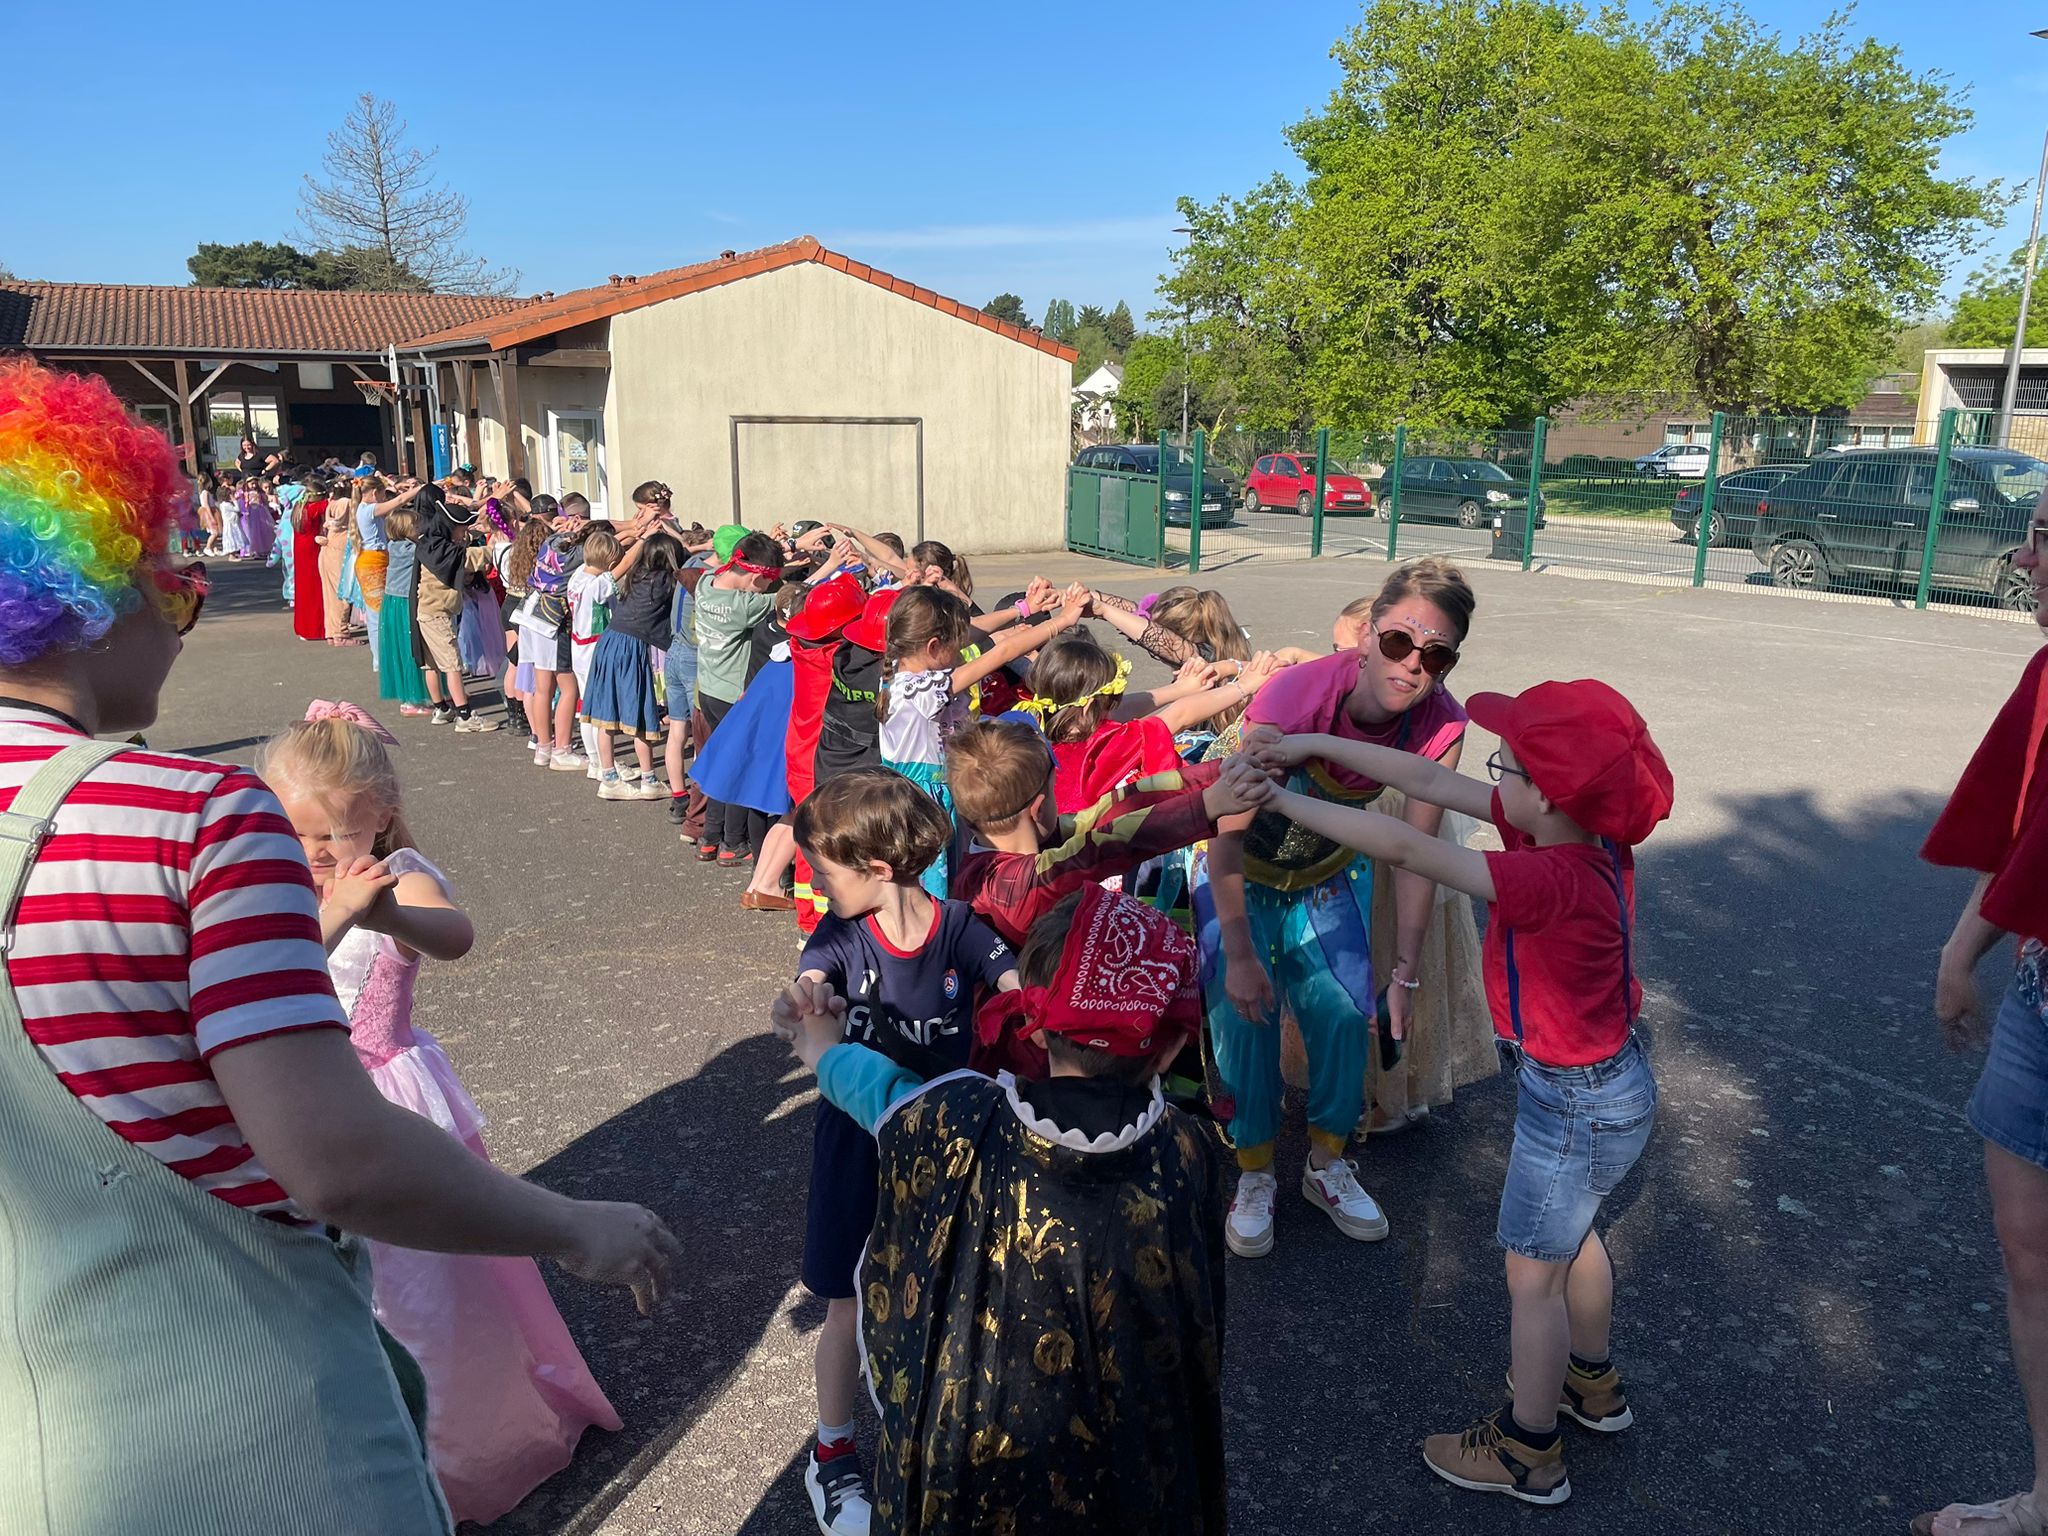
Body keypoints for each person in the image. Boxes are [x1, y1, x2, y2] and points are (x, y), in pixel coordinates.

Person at [0, 360, 680, 1533]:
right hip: (232, 1420)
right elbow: (334, 1161)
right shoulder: (192, 816)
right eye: (179, 587)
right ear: (94, 595)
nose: (183, 621)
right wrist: (575, 1226)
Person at [1253, 675, 1672, 1505]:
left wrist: (1279, 798)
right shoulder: (1582, 834)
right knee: (1573, 1239)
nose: (1493, 777)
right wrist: (1308, 746)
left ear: (1544, 794)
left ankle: (1528, 1450)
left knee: (1532, 1276)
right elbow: (1427, 779)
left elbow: (1407, 846)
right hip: (1608, 1090)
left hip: (1572, 1103)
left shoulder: (1549, 878)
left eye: (1503, 765)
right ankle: (1590, 1383)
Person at [259, 703, 625, 1524]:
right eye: (296, 831)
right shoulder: (272, 877)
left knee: (423, 1287)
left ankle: (456, 1452)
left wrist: (383, 913)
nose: (314, 852)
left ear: (382, 814)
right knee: (319, 1285)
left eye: (334, 835)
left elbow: (453, 936)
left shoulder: (399, 876)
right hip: (297, 1096)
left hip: (385, 1099)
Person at [770, 884, 1231, 1536]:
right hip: (1135, 1468)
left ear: (1035, 1022)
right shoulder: (1190, 1150)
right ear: (1170, 1046)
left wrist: (821, 1045)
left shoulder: (959, 1119)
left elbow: (878, 1089)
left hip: (977, 1469)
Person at [1193, 557, 1477, 1257]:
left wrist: (1405, 975)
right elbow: (1225, 839)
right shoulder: (1295, 695)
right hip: (1238, 874)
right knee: (1245, 1018)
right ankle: (1255, 1172)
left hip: (1325, 876)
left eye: (1436, 656)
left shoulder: (1441, 723)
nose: (1412, 666)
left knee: (1350, 1017)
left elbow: (1416, 853)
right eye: (1399, 642)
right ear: (1368, 633)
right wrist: (1238, 953)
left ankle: (1326, 1165)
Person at [780, 769, 1021, 1536]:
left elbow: (1020, 992)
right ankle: (833, 1454)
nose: (816, 885)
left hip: (951, 1152)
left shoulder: (963, 929)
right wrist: (801, 1001)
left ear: (878, 867)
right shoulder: (841, 935)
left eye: (824, 871)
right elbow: (806, 982)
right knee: (846, 1302)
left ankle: (938, 1437)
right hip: (857, 1147)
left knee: (952, 1298)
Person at [1915, 498, 2048, 1536]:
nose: (2025, 556)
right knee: (2025, 1249)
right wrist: (1960, 953)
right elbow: (2021, 835)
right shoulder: (2045, 675)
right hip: (2040, 996)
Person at [878, 585, 1082, 897]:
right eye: (956, 645)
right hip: (926, 800)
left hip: (910, 789)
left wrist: (1023, 609)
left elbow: (970, 632)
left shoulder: (901, 662)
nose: (962, 649)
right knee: (937, 881)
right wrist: (1062, 621)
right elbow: (1002, 653)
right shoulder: (924, 690)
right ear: (933, 646)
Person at [1021, 630, 1274, 814]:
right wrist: (1244, 686)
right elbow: (1179, 716)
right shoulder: (1110, 744)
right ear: (1089, 706)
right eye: (1112, 700)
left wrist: (1179, 689)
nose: (1116, 705)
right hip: (1105, 855)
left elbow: (1119, 711)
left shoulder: (1030, 729)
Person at [693, 530, 785, 862]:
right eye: (766, 582)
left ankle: (710, 837)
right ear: (757, 576)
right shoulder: (744, 607)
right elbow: (788, 599)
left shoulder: (706, 584)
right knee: (739, 770)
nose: (767, 589)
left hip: (708, 690)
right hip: (734, 697)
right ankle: (733, 842)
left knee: (721, 764)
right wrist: (827, 566)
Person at [581, 521, 681, 801]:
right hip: (631, 647)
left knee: (606, 713)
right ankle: (649, 779)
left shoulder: (636, 575)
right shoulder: (666, 583)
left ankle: (609, 776)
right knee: (640, 712)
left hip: (609, 641)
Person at [412, 483, 496, 731]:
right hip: (436, 615)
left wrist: (476, 528)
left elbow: (459, 546)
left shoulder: (430, 541)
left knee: (432, 664)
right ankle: (465, 717)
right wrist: (498, 547)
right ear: (450, 527)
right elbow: (468, 558)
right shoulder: (441, 550)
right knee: (453, 665)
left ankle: (441, 709)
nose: (463, 534)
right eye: (462, 529)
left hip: (428, 612)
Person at [377, 506, 434, 716]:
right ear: (404, 529)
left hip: (395, 600)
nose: (421, 528)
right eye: (416, 526)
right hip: (404, 602)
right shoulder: (409, 549)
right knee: (411, 647)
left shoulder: (394, 545)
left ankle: (421, 695)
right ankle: (411, 700)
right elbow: (431, 550)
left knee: (406, 648)